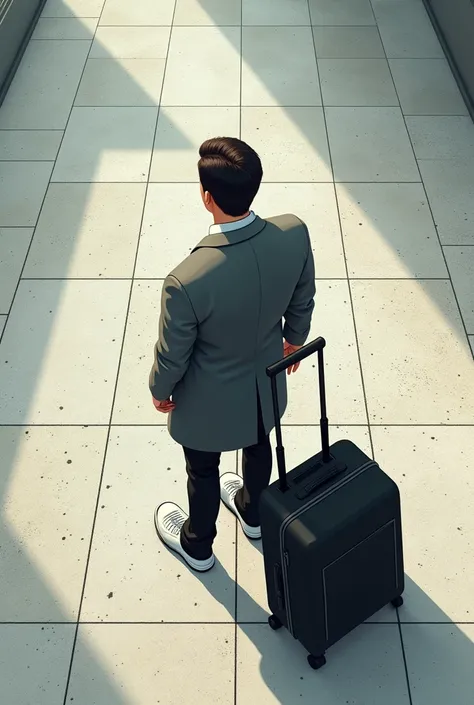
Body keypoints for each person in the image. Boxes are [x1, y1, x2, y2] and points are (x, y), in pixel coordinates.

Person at [149, 137, 315, 572]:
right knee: (260, 443)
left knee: (202, 470)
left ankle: (198, 544)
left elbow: (173, 354)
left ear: (207, 198)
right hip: (266, 381)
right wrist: (294, 339)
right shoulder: (293, 232)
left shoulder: (187, 279)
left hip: (209, 401)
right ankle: (253, 512)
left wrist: (161, 390)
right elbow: (303, 294)